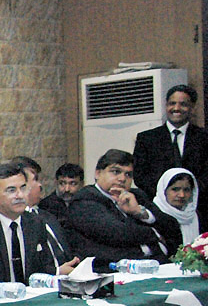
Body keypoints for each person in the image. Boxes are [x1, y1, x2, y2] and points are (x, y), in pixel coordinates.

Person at [66, 149, 176, 272]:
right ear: (97, 174)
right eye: (116, 172)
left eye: (128, 174)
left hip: (156, 266)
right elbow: (118, 233)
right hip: (110, 272)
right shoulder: (84, 199)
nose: (122, 179)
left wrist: (139, 212)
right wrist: (154, 234)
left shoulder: (137, 195)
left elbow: (172, 227)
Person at [133, 84, 208, 222]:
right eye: (172, 103)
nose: (176, 108)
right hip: (158, 211)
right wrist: (166, 196)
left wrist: (188, 195)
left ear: (193, 107)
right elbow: (140, 176)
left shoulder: (204, 137)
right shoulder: (147, 138)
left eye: (183, 104)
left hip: (198, 211)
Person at [0, 162, 66, 284]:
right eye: (11, 190)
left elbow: (42, 267)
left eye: (23, 188)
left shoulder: (35, 222)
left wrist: (58, 272)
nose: (20, 195)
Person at [10, 155, 75, 270]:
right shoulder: (16, 221)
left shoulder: (47, 216)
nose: (40, 185)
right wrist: (57, 272)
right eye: (35, 180)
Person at [152, 167, 200, 251]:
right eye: (175, 189)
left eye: (186, 190)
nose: (181, 195)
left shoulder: (195, 215)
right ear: (164, 190)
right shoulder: (153, 214)